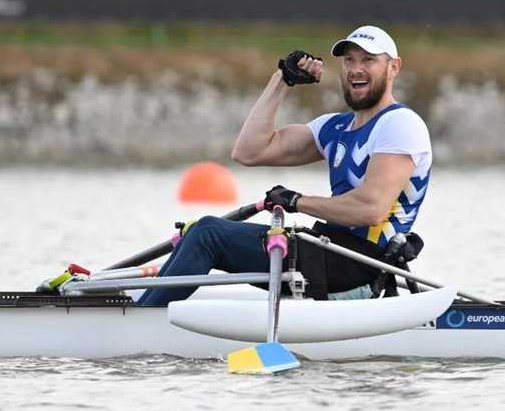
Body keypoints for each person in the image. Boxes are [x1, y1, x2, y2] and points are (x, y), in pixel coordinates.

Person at [138, 25, 432, 306]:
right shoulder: (335, 128)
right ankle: (143, 309)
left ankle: (141, 320)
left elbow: (371, 209)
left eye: (369, 60)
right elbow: (249, 151)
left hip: (359, 266)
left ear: (394, 67)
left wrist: (297, 201)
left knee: (208, 235)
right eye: (349, 60)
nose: (356, 68)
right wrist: (282, 80)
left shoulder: (400, 124)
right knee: (199, 231)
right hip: (326, 249)